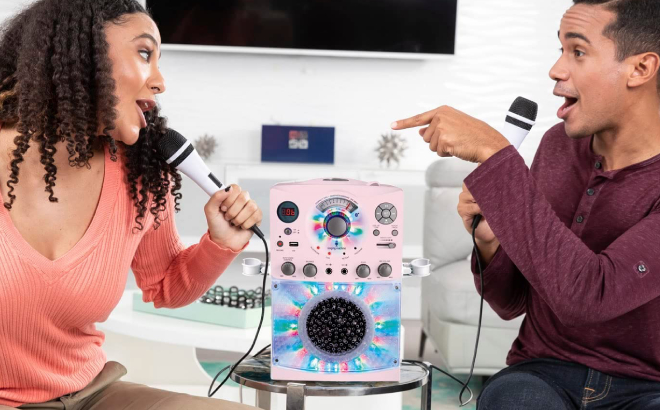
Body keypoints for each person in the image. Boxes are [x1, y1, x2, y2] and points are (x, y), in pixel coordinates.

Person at [392, 0, 660, 408]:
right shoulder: (558, 145)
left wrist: (495, 155)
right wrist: (490, 243)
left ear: (640, 69)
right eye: (560, 49)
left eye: (578, 51)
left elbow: (591, 296)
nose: (556, 69)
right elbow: (512, 301)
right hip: (543, 372)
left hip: (647, 386)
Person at [0, 0, 261, 409]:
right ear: (80, 55)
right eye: (144, 53)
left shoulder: (138, 176)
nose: (159, 82)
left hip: (91, 396)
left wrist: (219, 242)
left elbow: (167, 286)